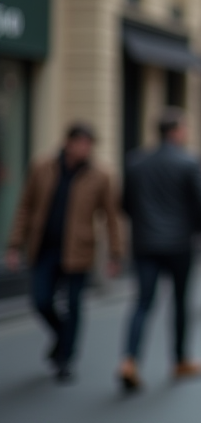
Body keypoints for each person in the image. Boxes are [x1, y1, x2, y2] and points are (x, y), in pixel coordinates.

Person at [4, 123, 123, 382]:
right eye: (81, 143)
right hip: (44, 248)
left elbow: (111, 217)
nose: (85, 149)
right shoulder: (42, 167)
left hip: (78, 251)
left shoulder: (99, 176)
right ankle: (61, 336)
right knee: (41, 300)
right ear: (68, 143)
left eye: (89, 145)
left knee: (73, 305)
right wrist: (14, 245)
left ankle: (65, 359)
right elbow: (25, 206)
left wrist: (116, 253)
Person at [118, 108, 201, 391]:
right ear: (178, 131)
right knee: (180, 303)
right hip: (180, 244)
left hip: (145, 242)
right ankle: (180, 359)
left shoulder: (136, 161)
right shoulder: (189, 161)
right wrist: (195, 230)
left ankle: (129, 360)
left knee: (142, 302)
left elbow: (125, 203)